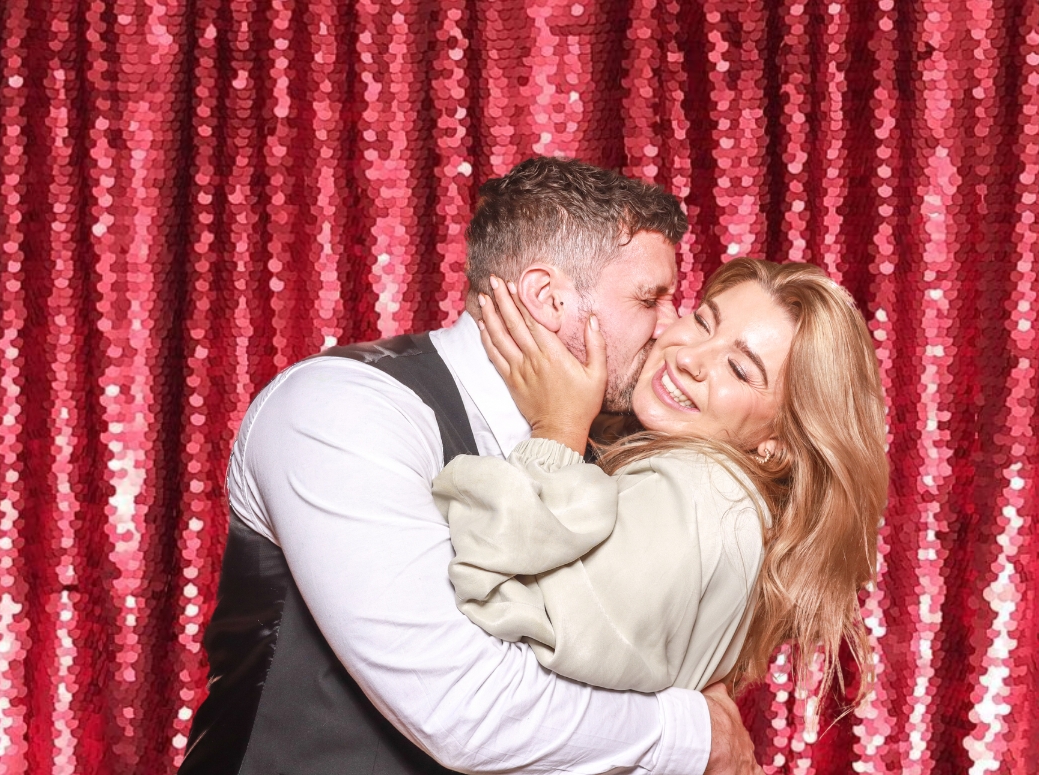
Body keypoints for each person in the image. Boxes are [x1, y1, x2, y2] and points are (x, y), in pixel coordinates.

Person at [179, 157, 762, 775]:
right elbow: (462, 708)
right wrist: (692, 734)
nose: (672, 328)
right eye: (651, 298)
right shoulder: (340, 408)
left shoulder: (618, 454)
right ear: (547, 298)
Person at [436, 258, 887, 708]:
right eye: (704, 322)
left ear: (780, 442)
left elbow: (488, 616)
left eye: (739, 369)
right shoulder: (728, 502)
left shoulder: (698, 491)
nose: (689, 357)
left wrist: (558, 427)